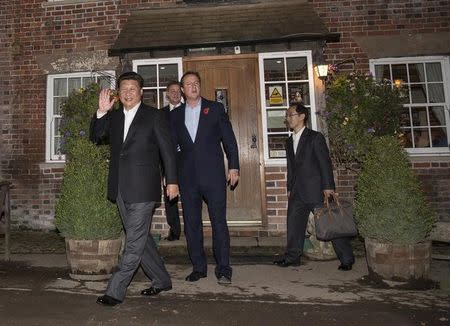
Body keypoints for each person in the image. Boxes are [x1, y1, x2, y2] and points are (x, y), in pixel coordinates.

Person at [90, 71, 179, 306]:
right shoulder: (115, 117)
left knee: (133, 241)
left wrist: (172, 180)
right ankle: (161, 279)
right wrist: (101, 112)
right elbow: (96, 136)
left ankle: (115, 290)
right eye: (124, 88)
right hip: (120, 187)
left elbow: (167, 151)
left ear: (141, 92)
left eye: (133, 88)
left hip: (143, 187)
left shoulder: (154, 116)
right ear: (118, 93)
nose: (128, 92)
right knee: (139, 238)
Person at [170, 71, 239, 285]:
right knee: (192, 224)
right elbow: (171, 149)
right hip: (187, 178)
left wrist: (234, 167)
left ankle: (224, 268)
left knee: (219, 222)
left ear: (200, 86)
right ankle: (198, 267)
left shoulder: (215, 109)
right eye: (188, 84)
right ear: (182, 90)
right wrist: (170, 177)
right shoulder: (174, 115)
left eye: (196, 83)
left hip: (214, 176)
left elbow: (229, 140)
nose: (193, 87)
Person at [274, 103, 354, 271]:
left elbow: (324, 162)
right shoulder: (289, 142)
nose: (287, 118)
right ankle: (292, 257)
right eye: (287, 115)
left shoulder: (315, 137)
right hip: (297, 191)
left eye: (291, 115)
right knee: (294, 224)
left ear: (302, 116)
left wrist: (328, 186)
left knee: (331, 223)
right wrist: (289, 187)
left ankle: (347, 259)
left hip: (317, 189)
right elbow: (291, 167)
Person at [161, 81, 183, 241]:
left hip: (187, 161)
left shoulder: (189, 110)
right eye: (172, 91)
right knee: (170, 199)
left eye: (177, 91)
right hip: (167, 163)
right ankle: (174, 230)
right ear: (167, 94)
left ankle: (193, 230)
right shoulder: (160, 114)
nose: (175, 94)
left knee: (190, 197)